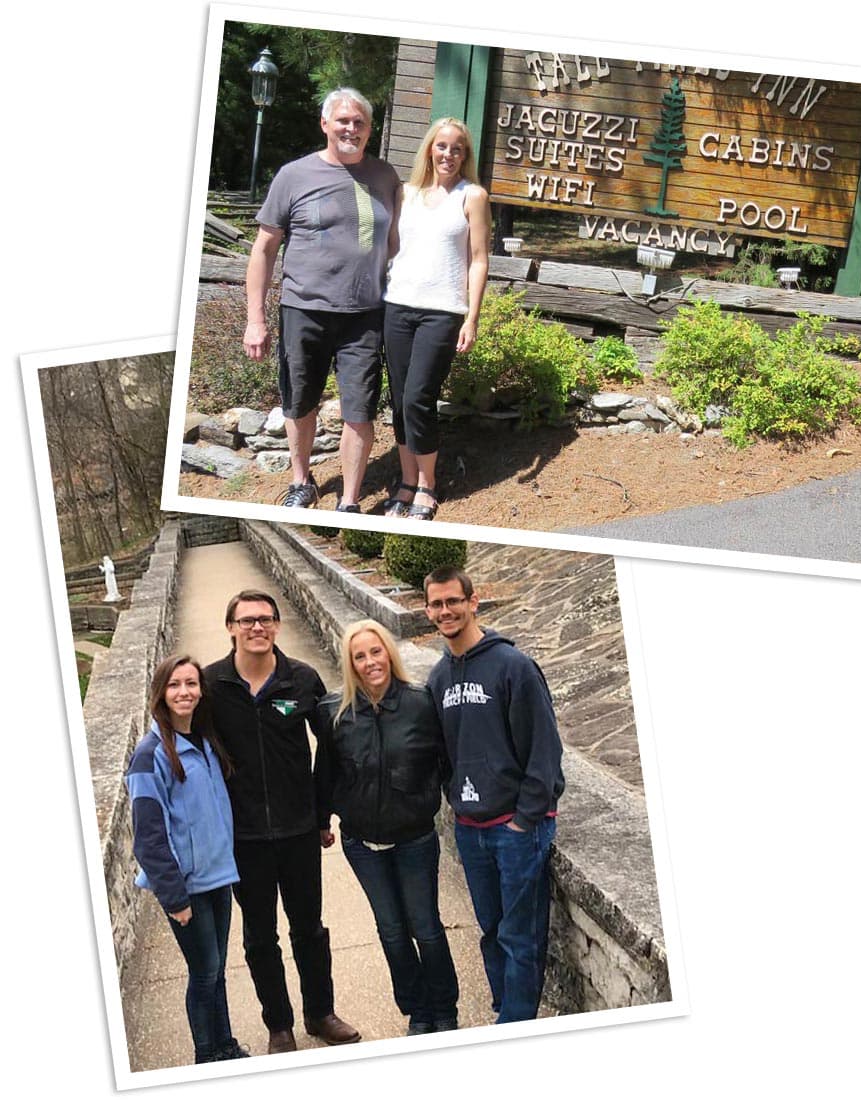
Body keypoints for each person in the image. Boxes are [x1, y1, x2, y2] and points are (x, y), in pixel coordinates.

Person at [202, 590, 359, 1054]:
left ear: (277, 625)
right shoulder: (212, 686)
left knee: (309, 927)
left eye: (266, 619)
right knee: (259, 937)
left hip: (298, 832)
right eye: (247, 620)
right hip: (244, 838)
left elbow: (330, 750)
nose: (257, 627)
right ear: (230, 627)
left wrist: (321, 812)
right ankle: (279, 1025)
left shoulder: (301, 680)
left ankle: (320, 1013)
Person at [242, 88, 401, 511]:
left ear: (370, 129)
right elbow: (263, 249)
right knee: (299, 401)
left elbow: (397, 244)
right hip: (304, 308)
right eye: (343, 120)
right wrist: (254, 319)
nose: (351, 128)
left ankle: (349, 501)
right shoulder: (294, 176)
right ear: (325, 124)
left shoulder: (385, 177)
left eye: (360, 122)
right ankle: (301, 481)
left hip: (365, 314)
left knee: (360, 409)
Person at [422, 567, 565, 1023]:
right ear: (427, 610)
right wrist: (457, 801)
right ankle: (505, 1006)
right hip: (471, 829)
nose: (445, 611)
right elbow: (444, 753)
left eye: (453, 602)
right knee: (492, 932)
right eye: (436, 604)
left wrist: (525, 819)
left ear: (473, 602)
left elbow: (545, 749)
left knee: (521, 936)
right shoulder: (438, 679)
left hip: (517, 828)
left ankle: (514, 1024)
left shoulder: (513, 667)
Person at [313, 619, 459, 1035]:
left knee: (425, 926)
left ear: (388, 654)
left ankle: (444, 1008)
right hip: (362, 842)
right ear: (350, 663)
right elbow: (325, 772)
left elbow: (446, 762)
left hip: (414, 838)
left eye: (375, 652)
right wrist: (322, 819)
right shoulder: (334, 712)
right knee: (391, 930)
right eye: (360, 656)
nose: (370, 662)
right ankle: (417, 1011)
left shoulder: (421, 702)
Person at [125, 654, 248, 1064]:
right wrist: (174, 898)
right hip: (186, 888)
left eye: (191, 684)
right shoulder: (150, 754)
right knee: (203, 973)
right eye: (175, 684)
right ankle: (206, 1055)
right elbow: (149, 837)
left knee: (215, 972)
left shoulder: (206, 741)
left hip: (217, 878)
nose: (185, 692)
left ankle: (226, 1045)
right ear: (161, 692)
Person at [381, 117, 491, 520]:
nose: (448, 154)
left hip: (442, 311)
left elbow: (479, 260)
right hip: (397, 305)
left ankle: (428, 484)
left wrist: (472, 318)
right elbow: (392, 247)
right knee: (398, 401)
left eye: (457, 148)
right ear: (430, 148)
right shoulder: (404, 194)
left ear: (465, 155)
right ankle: (407, 482)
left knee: (418, 398)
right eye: (442, 146)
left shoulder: (472, 196)